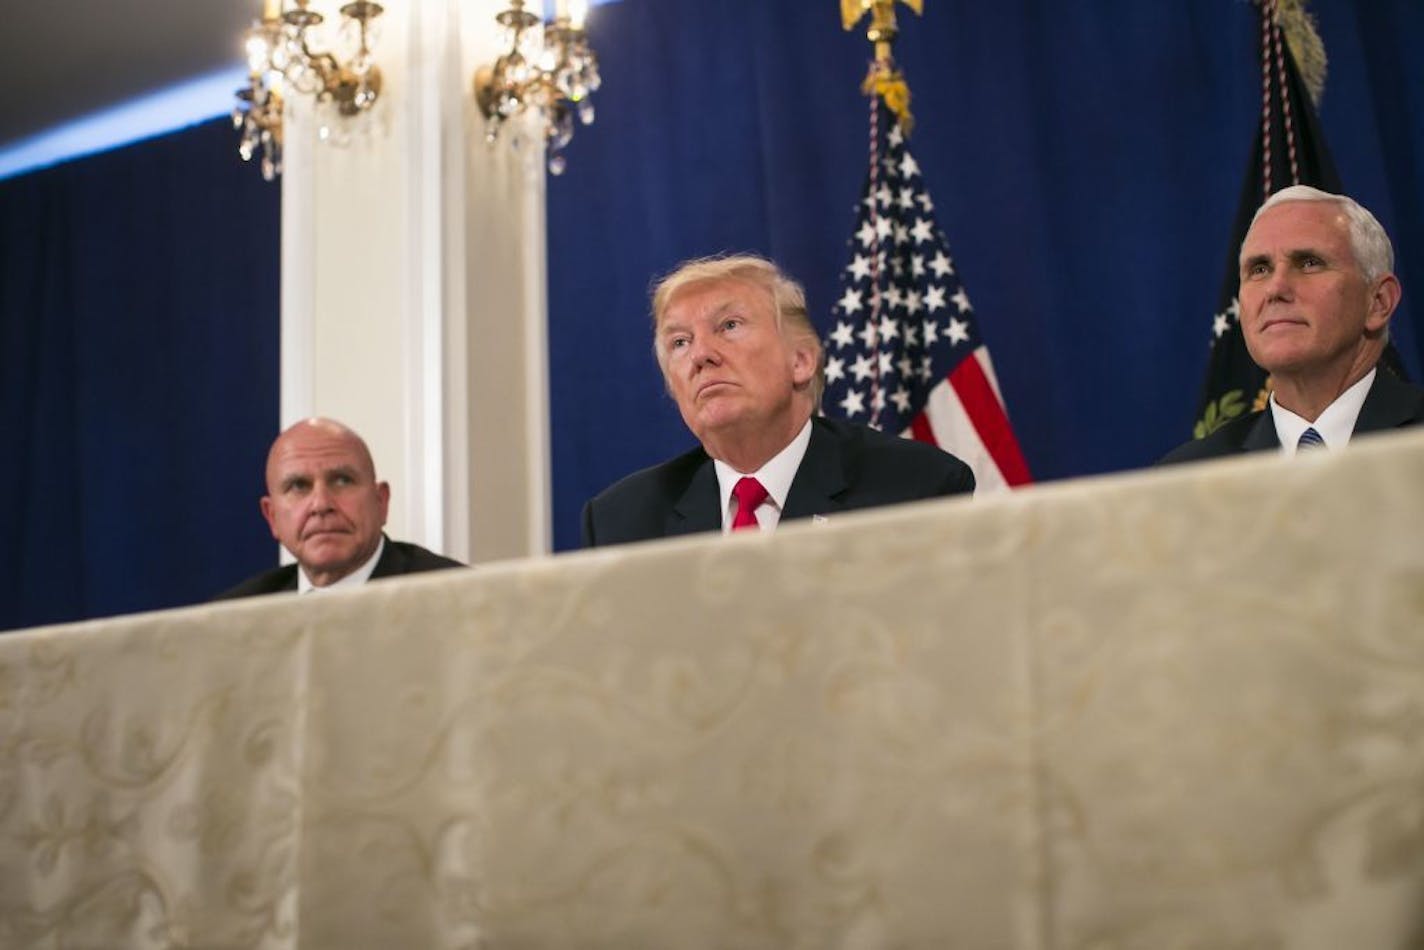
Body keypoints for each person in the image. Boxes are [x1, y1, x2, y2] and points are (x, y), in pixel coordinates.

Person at [582, 254, 975, 546]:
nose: (701, 355)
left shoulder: (913, 490)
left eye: (729, 325)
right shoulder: (622, 522)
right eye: (679, 342)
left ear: (801, 361)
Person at [1162, 186, 1423, 464]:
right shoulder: (1191, 473)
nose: (1275, 289)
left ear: (1378, 302)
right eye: (1259, 269)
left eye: (1310, 263)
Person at [214, 417, 463, 598]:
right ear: (272, 517)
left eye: (342, 480)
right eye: (299, 486)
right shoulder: (235, 616)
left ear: (381, 502)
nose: (321, 504)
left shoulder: (457, 596)